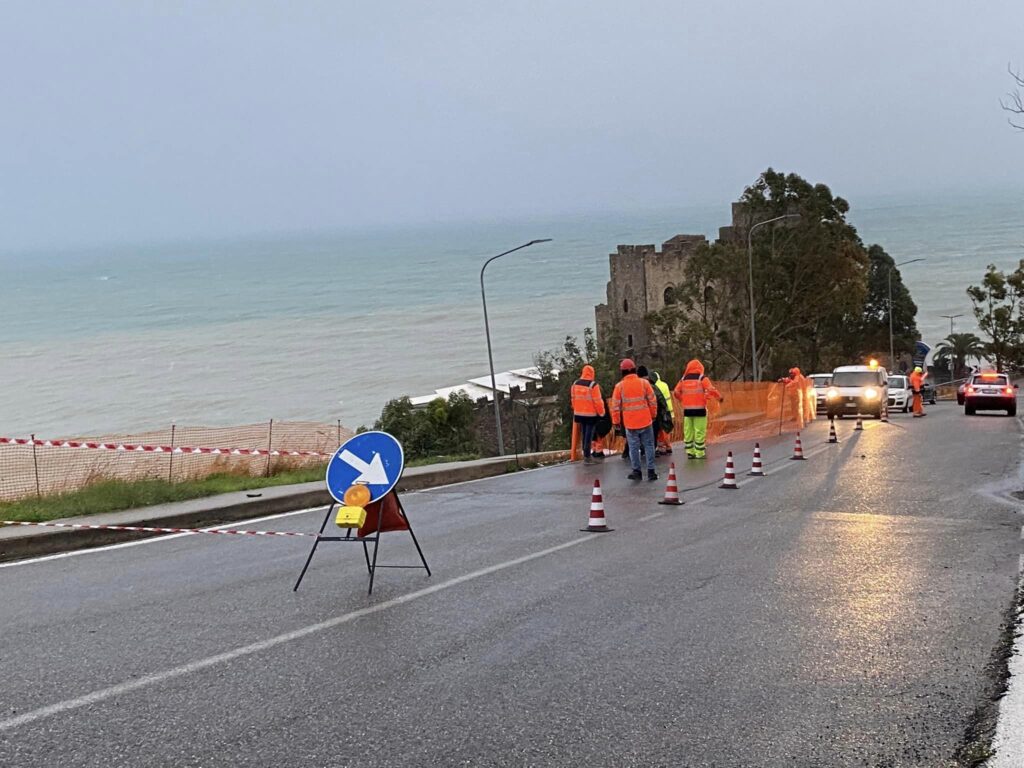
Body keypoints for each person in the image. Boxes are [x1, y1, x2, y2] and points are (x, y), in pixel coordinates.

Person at [610, 358, 659, 481]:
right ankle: (651, 471)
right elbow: (652, 401)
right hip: (646, 420)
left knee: (633, 447)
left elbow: (615, 406)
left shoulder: (619, 387)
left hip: (630, 423)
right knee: (649, 445)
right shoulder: (644, 383)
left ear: (622, 372)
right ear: (634, 370)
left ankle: (637, 471)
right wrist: (653, 415)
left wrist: (616, 422)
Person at [673, 359, 723, 459]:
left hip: (687, 410)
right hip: (700, 410)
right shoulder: (702, 378)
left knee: (688, 431)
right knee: (699, 431)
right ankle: (699, 453)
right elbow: (710, 389)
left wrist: (683, 400)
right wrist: (719, 397)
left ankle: (690, 451)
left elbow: (676, 392)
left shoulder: (683, 379)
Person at [571, 364, 606, 465]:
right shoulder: (593, 385)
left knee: (584, 433)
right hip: (590, 415)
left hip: (578, 414)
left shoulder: (575, 384)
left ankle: (585, 454)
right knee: (589, 435)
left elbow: (573, 399)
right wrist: (602, 413)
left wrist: (575, 409)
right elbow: (598, 401)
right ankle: (587, 456)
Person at [647, 369, 675, 455]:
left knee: (660, 431)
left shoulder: (654, 386)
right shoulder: (664, 384)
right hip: (669, 411)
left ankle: (661, 447)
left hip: (661, 412)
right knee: (666, 430)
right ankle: (668, 446)